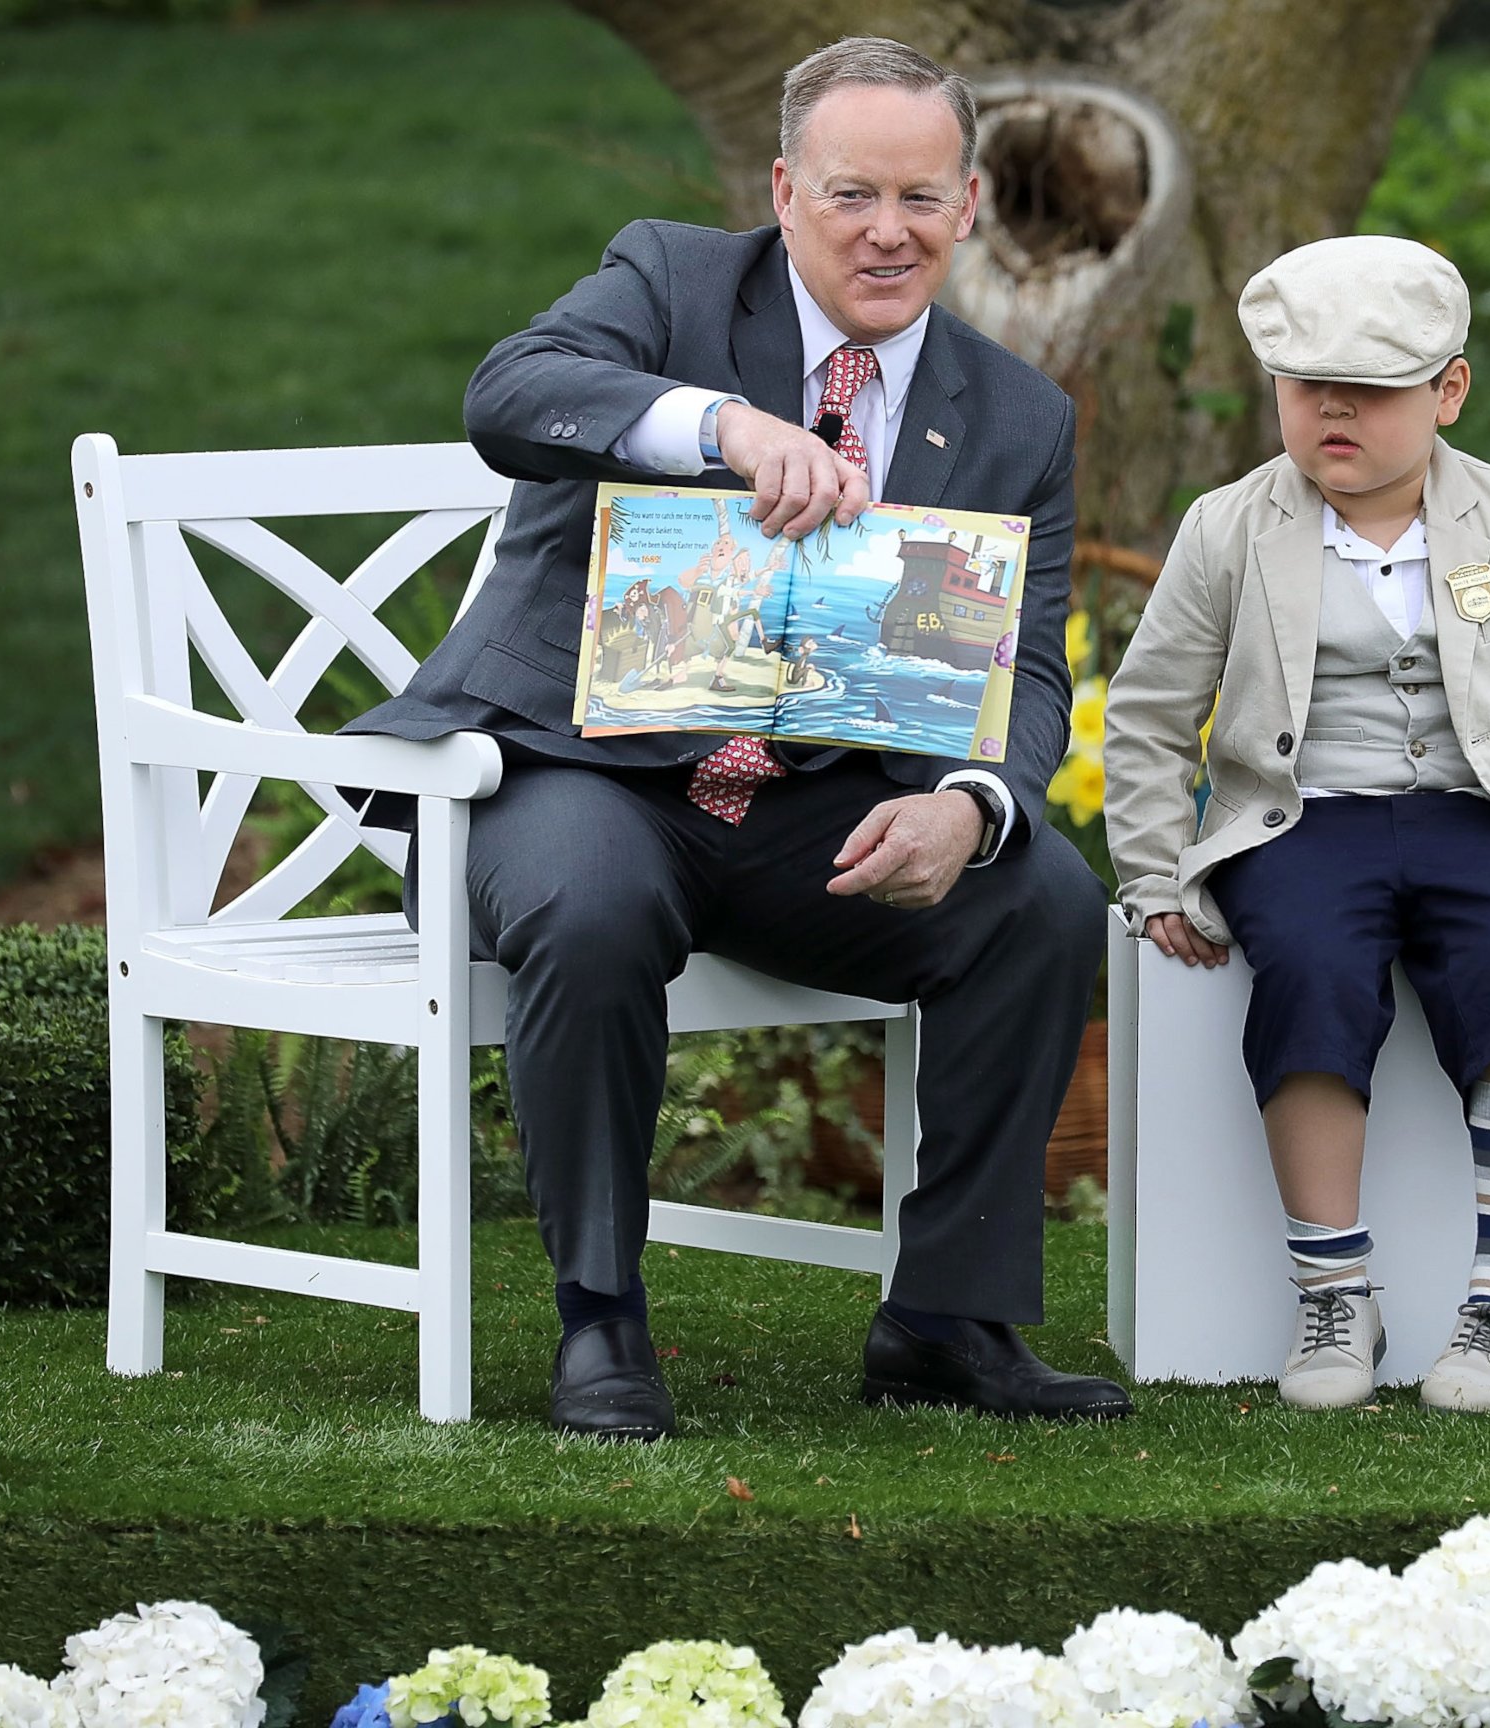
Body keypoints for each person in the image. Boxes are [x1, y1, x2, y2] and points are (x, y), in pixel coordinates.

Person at [348, 37, 1128, 1441]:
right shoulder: (670, 282)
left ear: (967, 205)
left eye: (921, 197)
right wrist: (717, 425)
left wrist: (970, 804)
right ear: (783, 190)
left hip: (802, 810)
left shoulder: (1016, 416)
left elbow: (1023, 663)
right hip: (567, 771)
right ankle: (600, 1318)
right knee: (593, 904)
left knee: (1044, 896)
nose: (887, 231)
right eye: (850, 194)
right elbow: (507, 394)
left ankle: (948, 1321)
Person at [1100, 236, 1490, 1415]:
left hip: (1484, 811)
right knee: (1306, 962)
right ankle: (1333, 1287)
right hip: (1301, 816)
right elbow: (1151, 718)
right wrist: (1155, 876)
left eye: (1374, 388)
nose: (1335, 411)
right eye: (1308, 388)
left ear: (1449, 390)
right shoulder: (1229, 529)